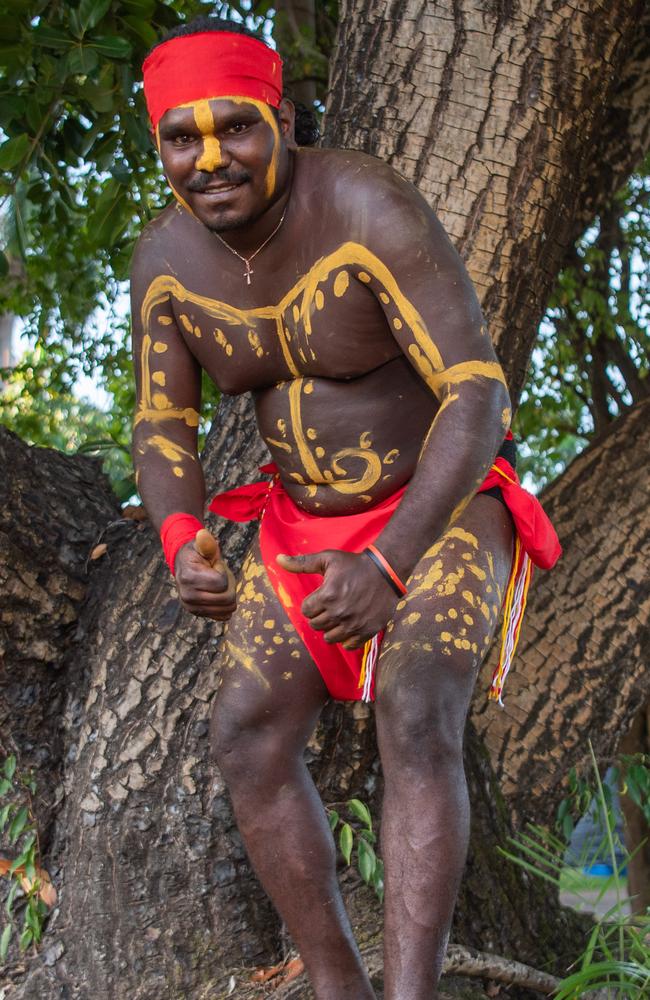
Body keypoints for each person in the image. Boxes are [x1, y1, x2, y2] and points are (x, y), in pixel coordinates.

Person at [131, 16, 560, 999]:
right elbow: (160, 428)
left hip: (437, 510)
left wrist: (393, 561)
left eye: (233, 127)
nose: (209, 158)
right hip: (299, 529)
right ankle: (338, 986)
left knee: (415, 712)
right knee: (243, 730)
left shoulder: (365, 205)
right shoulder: (163, 262)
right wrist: (183, 532)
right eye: (178, 137)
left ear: (281, 119)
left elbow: (475, 393)